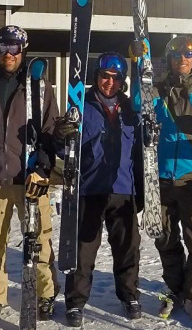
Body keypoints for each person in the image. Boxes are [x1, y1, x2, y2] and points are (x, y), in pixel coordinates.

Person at [0, 25, 61, 321]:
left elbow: (50, 132)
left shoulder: (39, 85)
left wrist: (43, 168)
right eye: (4, 47)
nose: (9, 53)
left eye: (15, 48)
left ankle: (45, 294)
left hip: (31, 178)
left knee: (38, 239)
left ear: (23, 51)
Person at [133, 35, 192, 328]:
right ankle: (174, 288)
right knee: (166, 240)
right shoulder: (156, 91)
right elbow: (136, 104)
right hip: (161, 180)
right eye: (177, 54)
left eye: (188, 55)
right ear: (169, 60)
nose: (183, 59)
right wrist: (138, 67)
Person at [61, 53, 144, 327]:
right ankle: (75, 302)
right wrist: (63, 135)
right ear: (96, 77)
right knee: (84, 250)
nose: (109, 82)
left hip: (123, 187)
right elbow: (65, 150)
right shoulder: (80, 105)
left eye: (115, 78)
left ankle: (129, 295)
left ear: (122, 81)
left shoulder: (132, 110)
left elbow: (141, 153)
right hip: (89, 187)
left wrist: (142, 190)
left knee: (127, 247)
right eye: (105, 76)